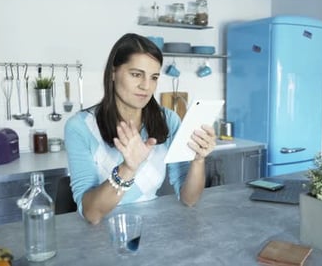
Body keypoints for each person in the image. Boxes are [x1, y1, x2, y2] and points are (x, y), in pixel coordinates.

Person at [64, 33, 216, 225]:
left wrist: (198, 160)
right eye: (136, 74)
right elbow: (92, 214)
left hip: (152, 232)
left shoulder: (167, 119)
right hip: (101, 237)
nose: (146, 86)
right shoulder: (80, 127)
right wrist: (128, 168)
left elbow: (189, 199)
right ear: (113, 72)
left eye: (154, 77)